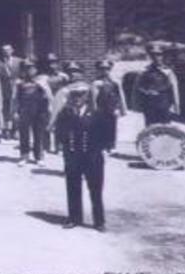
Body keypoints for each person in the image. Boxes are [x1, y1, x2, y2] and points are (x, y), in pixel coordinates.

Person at [53, 82, 113, 231]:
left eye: (81, 95)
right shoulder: (66, 113)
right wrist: (64, 146)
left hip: (92, 156)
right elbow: (59, 131)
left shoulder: (97, 113)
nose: (77, 98)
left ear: (87, 97)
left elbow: (106, 132)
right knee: (73, 187)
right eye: (74, 95)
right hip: (73, 155)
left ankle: (99, 221)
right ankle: (74, 218)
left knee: (95, 190)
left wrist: (104, 148)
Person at [12, 59, 52, 166]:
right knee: (24, 134)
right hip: (24, 110)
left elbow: (48, 96)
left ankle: (39, 156)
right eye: (26, 68)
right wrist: (15, 112)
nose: (29, 71)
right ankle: (24, 156)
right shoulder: (19, 83)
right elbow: (15, 98)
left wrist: (49, 108)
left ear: (35, 69)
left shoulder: (41, 81)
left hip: (39, 111)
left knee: (38, 134)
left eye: (31, 68)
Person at [132, 43, 181, 126]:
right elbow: (137, 87)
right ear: (151, 57)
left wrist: (176, 106)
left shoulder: (167, 71)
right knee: (151, 128)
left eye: (158, 55)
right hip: (149, 104)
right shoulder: (145, 71)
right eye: (153, 55)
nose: (156, 57)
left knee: (165, 128)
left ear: (162, 56)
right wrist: (138, 103)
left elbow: (174, 89)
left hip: (164, 104)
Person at [91, 59, 127, 153]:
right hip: (101, 108)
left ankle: (111, 146)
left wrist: (123, 109)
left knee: (112, 127)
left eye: (107, 69)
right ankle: (102, 146)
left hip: (112, 107)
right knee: (101, 127)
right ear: (98, 70)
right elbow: (94, 98)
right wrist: (93, 109)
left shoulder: (115, 82)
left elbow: (120, 95)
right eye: (102, 69)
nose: (104, 71)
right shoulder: (96, 83)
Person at [39, 53, 69, 154]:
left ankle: (59, 146)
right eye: (49, 63)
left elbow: (67, 90)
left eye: (54, 62)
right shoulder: (42, 77)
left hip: (60, 102)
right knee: (46, 123)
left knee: (60, 123)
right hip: (46, 102)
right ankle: (45, 146)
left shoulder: (63, 76)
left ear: (57, 64)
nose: (52, 65)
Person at [0, 44, 23, 139]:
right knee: (5, 110)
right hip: (4, 89)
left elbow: (23, 74)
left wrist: (20, 81)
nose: (6, 52)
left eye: (8, 50)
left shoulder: (19, 61)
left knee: (16, 110)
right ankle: (6, 130)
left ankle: (16, 130)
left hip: (17, 88)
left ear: (12, 50)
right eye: (4, 50)